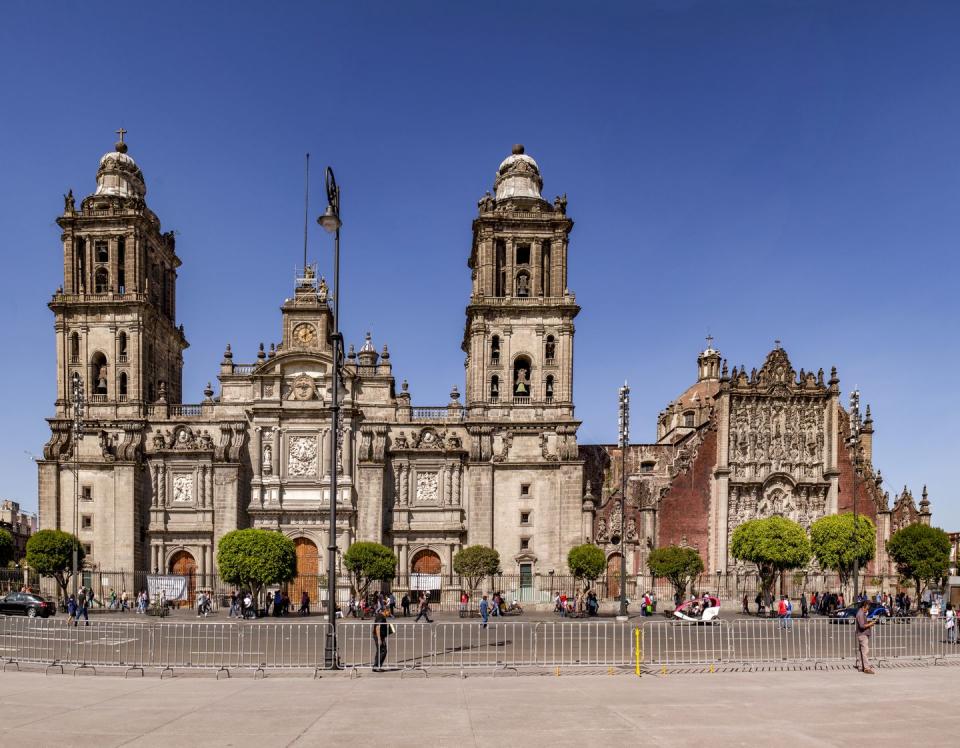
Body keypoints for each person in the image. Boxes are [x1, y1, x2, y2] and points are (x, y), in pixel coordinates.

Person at [855, 599, 876, 674]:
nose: (869, 608)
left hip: (861, 634)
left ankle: (861, 666)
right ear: (865, 606)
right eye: (868, 606)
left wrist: (870, 621)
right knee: (865, 651)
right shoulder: (860, 613)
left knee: (861, 651)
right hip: (863, 634)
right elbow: (862, 626)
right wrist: (870, 624)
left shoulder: (862, 613)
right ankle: (866, 668)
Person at [372, 607, 390, 671]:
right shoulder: (380, 617)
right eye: (388, 612)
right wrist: (379, 639)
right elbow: (377, 627)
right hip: (378, 636)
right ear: (385, 611)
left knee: (380, 651)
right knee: (383, 651)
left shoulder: (381, 616)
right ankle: (377, 666)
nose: (389, 613)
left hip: (380, 636)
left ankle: (376, 666)